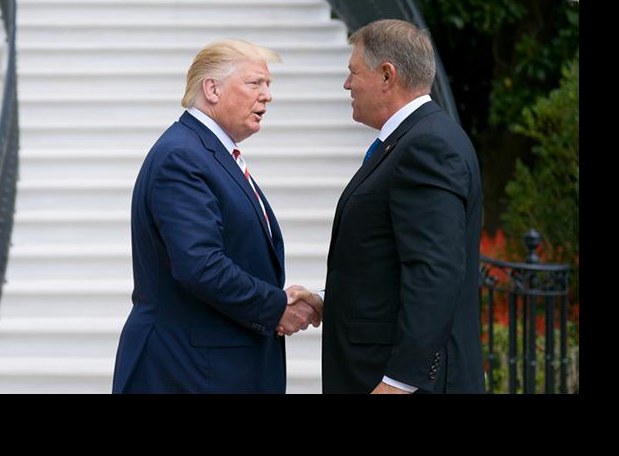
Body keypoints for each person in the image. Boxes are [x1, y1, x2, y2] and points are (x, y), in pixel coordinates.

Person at [112, 39, 322, 394]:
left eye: (268, 85)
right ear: (212, 89)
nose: (267, 96)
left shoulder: (207, 152)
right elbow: (200, 265)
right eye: (255, 83)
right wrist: (275, 308)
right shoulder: (182, 156)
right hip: (186, 372)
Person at [314, 19, 484, 393]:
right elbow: (386, 260)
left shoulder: (427, 147)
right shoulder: (414, 140)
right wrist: (326, 300)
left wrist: (400, 381)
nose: (347, 85)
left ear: (387, 75)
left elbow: (434, 270)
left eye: (353, 73)